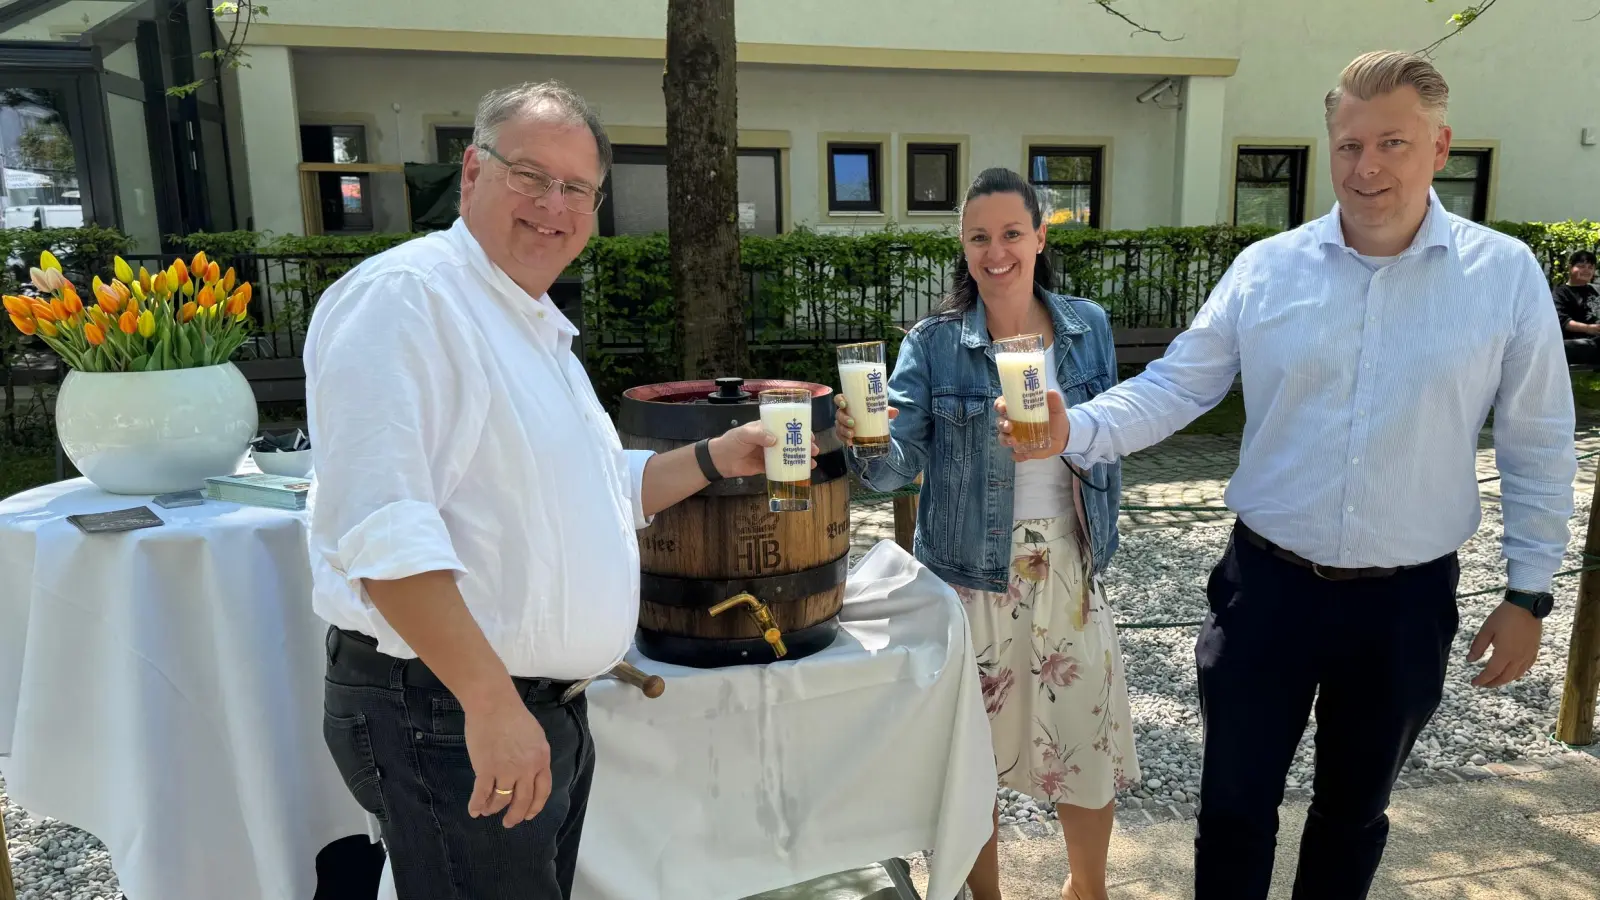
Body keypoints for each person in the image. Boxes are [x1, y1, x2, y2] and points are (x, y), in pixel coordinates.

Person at [999, 51, 1577, 900]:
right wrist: (1072, 430)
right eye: (1348, 145)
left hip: (1406, 606)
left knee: (1354, 816)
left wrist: (1529, 593)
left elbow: (1539, 439)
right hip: (1266, 591)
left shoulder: (1504, 276)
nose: (1366, 167)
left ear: (1441, 145)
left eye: (1391, 143)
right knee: (1233, 809)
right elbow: (1176, 385)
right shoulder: (1268, 269)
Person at [303, 80, 814, 900]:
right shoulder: (408, 300)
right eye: (530, 175)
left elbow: (599, 488)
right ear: (471, 171)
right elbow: (381, 529)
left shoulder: (532, 325)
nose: (553, 205)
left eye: (577, 188)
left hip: (529, 707)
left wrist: (719, 457)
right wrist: (491, 704)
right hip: (448, 707)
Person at [835, 166, 1137, 900]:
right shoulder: (935, 343)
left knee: (1086, 737)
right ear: (963, 248)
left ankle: (1087, 889)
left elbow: (1111, 435)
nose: (995, 251)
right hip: (967, 574)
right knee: (970, 757)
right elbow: (895, 467)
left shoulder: (1086, 325)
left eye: (1010, 234)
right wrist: (866, 442)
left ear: (1038, 237)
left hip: (1068, 564)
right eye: (978, 237)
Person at [1552, 249, 1600, 364]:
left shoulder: (1596, 289)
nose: (1587, 270)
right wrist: (1590, 329)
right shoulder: (1560, 293)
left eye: (1590, 267)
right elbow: (1563, 321)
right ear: (1570, 267)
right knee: (1560, 347)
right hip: (1579, 343)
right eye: (1582, 266)